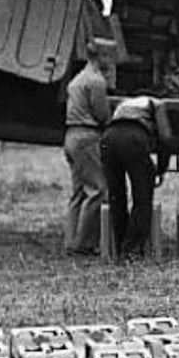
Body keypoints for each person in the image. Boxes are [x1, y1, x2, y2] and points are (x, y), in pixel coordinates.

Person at [101, 95, 171, 259]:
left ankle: (118, 245)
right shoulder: (157, 104)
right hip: (134, 139)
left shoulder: (123, 103)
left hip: (108, 139)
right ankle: (131, 248)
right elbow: (165, 138)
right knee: (143, 196)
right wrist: (160, 170)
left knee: (116, 195)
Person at [63, 40, 110, 255]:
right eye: (109, 56)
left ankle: (71, 240)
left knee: (78, 192)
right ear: (101, 57)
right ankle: (84, 244)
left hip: (71, 135)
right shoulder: (96, 81)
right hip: (87, 137)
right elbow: (102, 115)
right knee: (98, 190)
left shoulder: (78, 79)